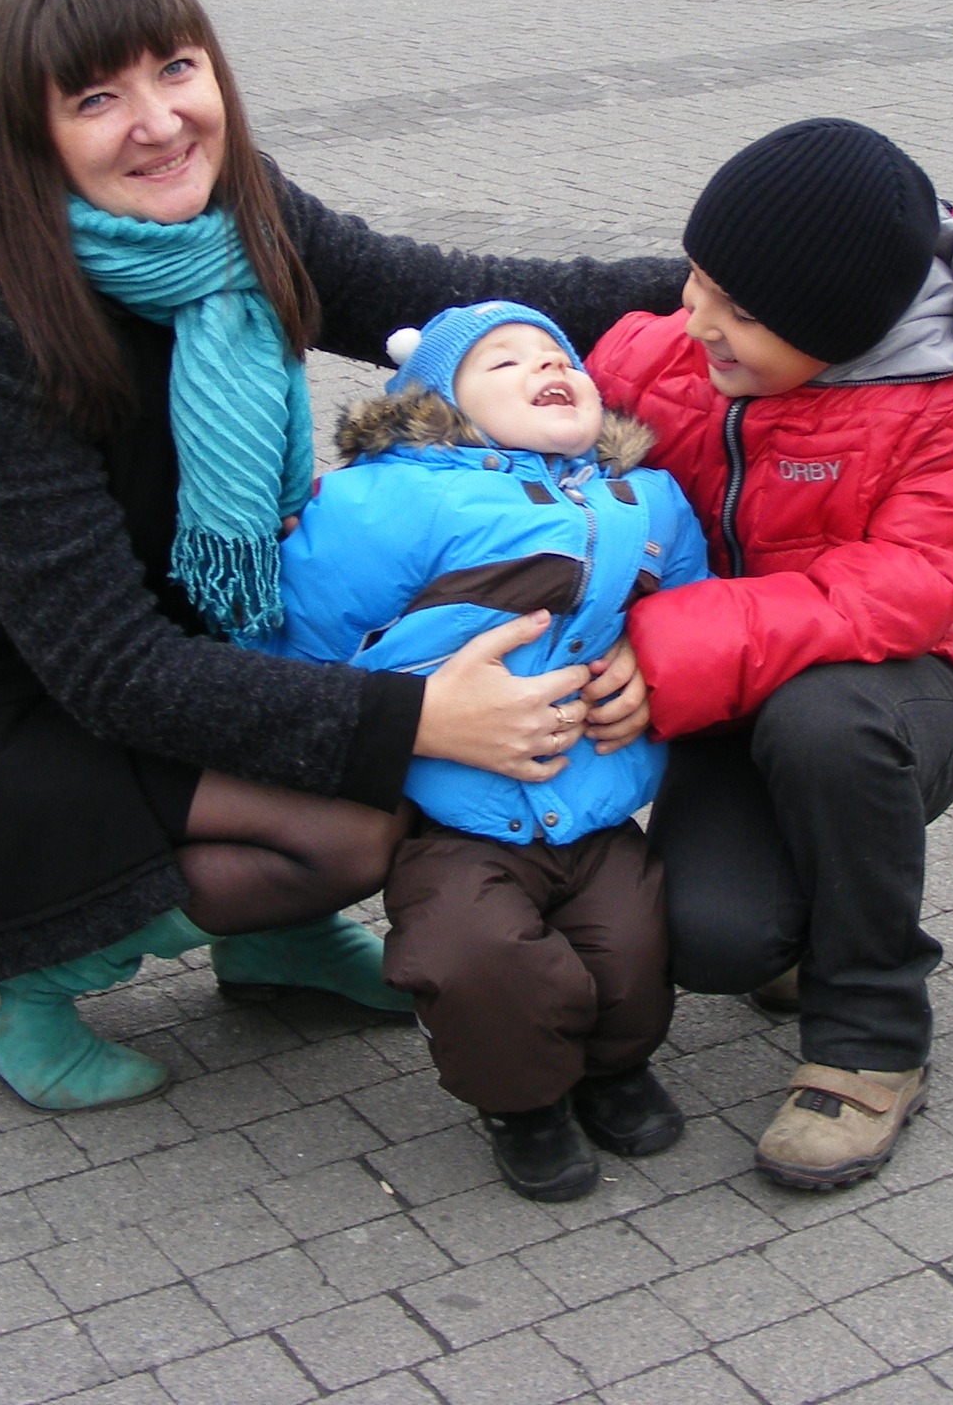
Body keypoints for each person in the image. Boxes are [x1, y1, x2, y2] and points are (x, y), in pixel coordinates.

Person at [0, 0, 689, 1114]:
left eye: (176, 70)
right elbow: (106, 667)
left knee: (373, 756)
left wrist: (706, 283)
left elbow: (441, 293)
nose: (158, 123)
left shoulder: (242, 216)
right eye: (96, 99)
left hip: (169, 658)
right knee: (357, 812)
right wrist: (415, 715)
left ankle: (272, 942)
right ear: (31, 136)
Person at [587, 118, 953, 1191]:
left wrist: (676, 639)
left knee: (827, 723)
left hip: (905, 688)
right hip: (726, 690)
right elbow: (528, 441)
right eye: (697, 280)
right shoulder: (661, 356)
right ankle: (803, 919)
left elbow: (910, 586)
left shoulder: (939, 401)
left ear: (839, 335)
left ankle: (872, 1036)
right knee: (712, 942)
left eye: (741, 312)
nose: (699, 321)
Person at [262, 305, 711, 1199]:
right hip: (451, 815)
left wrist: (657, 649)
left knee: (633, 944)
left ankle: (613, 1068)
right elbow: (306, 626)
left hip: (595, 798)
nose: (547, 368)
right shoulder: (391, 497)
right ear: (439, 407)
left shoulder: (649, 496)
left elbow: (695, 600)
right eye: (503, 363)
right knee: (473, 957)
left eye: (560, 358)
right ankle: (523, 1104)